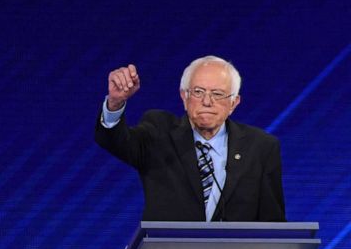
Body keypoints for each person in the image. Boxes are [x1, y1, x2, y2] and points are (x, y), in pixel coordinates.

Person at [95, 55, 284, 222]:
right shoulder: (159, 132)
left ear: (234, 103)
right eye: (198, 92)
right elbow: (115, 141)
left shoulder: (261, 147)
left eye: (217, 94)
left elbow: (273, 224)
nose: (207, 102)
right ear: (184, 97)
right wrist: (115, 103)